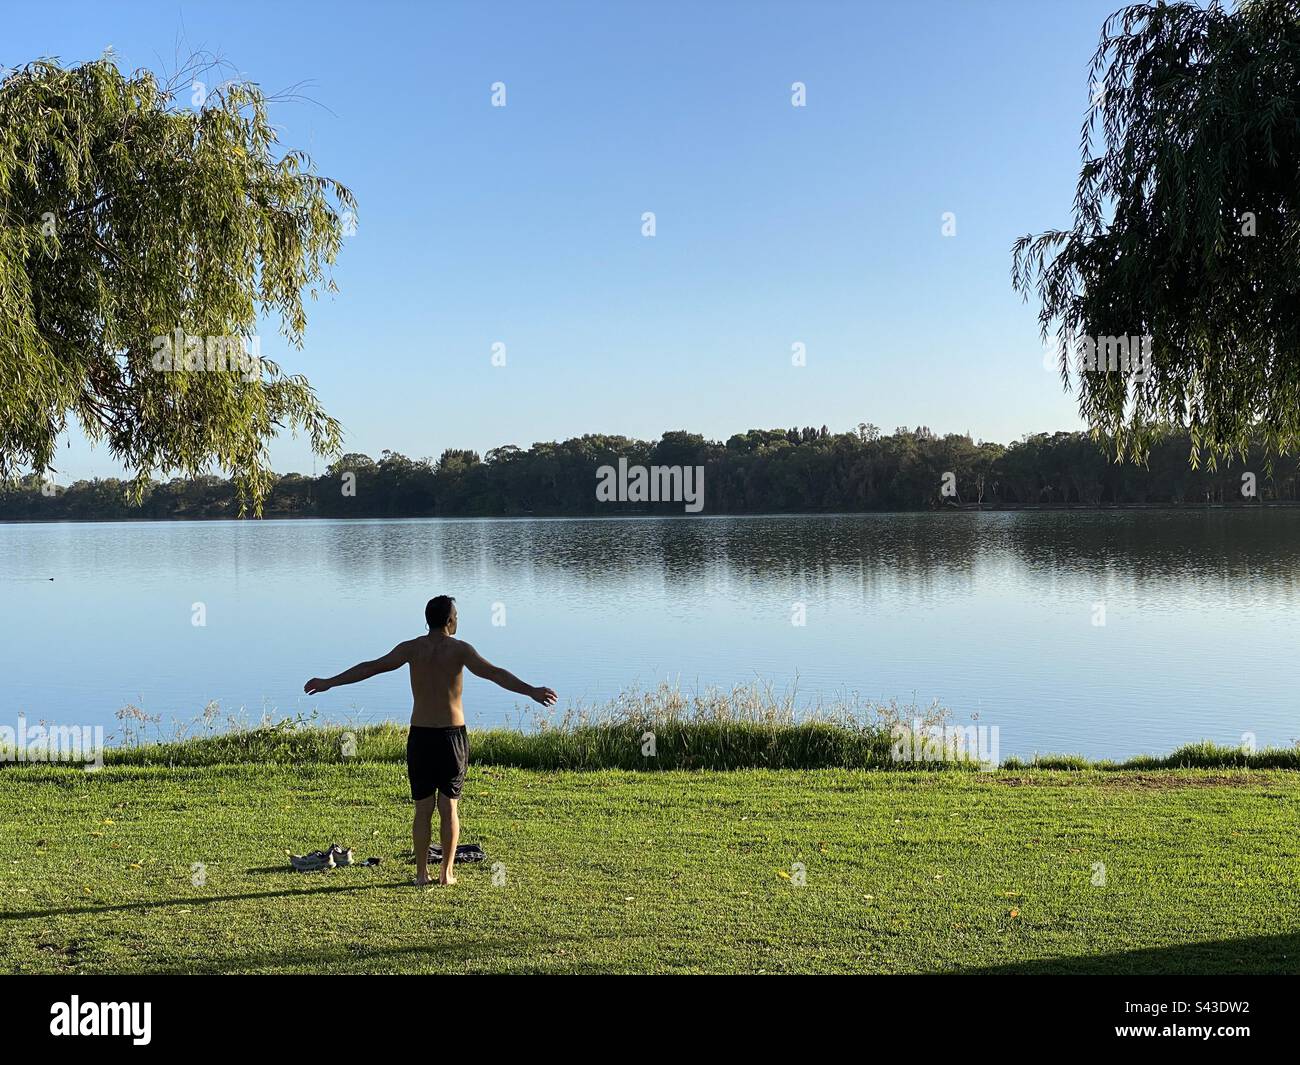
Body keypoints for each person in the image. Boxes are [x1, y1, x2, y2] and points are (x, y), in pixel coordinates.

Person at [304, 595, 556, 885]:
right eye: (457, 615)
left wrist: (328, 683)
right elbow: (495, 674)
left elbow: (370, 667)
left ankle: (421, 874)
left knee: (423, 809)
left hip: (421, 735)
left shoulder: (411, 648)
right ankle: (446, 874)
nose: (458, 620)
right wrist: (531, 691)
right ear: (449, 621)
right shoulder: (461, 650)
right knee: (449, 808)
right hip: (451, 736)